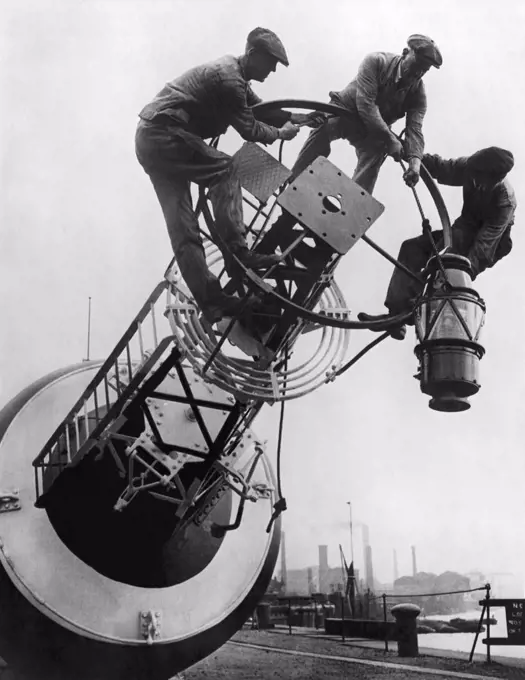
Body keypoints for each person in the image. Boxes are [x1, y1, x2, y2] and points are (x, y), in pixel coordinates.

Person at [135, 28, 321, 324]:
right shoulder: (230, 80)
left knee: (183, 228)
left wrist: (299, 118)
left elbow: (259, 110)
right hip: (165, 134)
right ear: (252, 55)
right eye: (270, 62)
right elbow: (251, 129)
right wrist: (282, 134)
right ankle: (239, 252)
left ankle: (211, 301)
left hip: (152, 142)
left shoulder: (236, 78)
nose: (273, 70)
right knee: (226, 169)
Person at [358, 146, 517, 339]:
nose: (477, 184)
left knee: (443, 254)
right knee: (412, 248)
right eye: (475, 179)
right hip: (462, 228)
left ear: (497, 179)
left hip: (491, 243)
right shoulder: (470, 167)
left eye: (484, 182)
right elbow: (442, 167)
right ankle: (396, 316)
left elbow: (485, 245)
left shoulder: (504, 201)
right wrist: (412, 156)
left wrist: (461, 273)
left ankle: (419, 308)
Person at [290, 34, 443, 194]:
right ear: (405, 53)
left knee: (374, 157)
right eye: (416, 65)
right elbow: (366, 105)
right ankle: (294, 188)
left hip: (373, 133)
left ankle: (353, 208)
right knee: (322, 128)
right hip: (345, 112)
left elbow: (415, 130)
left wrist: (415, 163)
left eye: (424, 70)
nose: (417, 73)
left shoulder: (418, 94)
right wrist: (390, 139)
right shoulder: (376, 61)